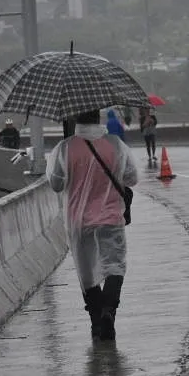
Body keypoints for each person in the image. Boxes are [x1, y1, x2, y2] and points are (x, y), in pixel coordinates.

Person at [48, 108, 139, 340]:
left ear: (76, 117)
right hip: (110, 216)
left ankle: (96, 322)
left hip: (79, 221)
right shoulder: (115, 144)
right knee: (115, 265)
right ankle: (109, 311)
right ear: (97, 117)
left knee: (86, 272)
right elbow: (131, 178)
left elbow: (56, 184)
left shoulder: (65, 148)